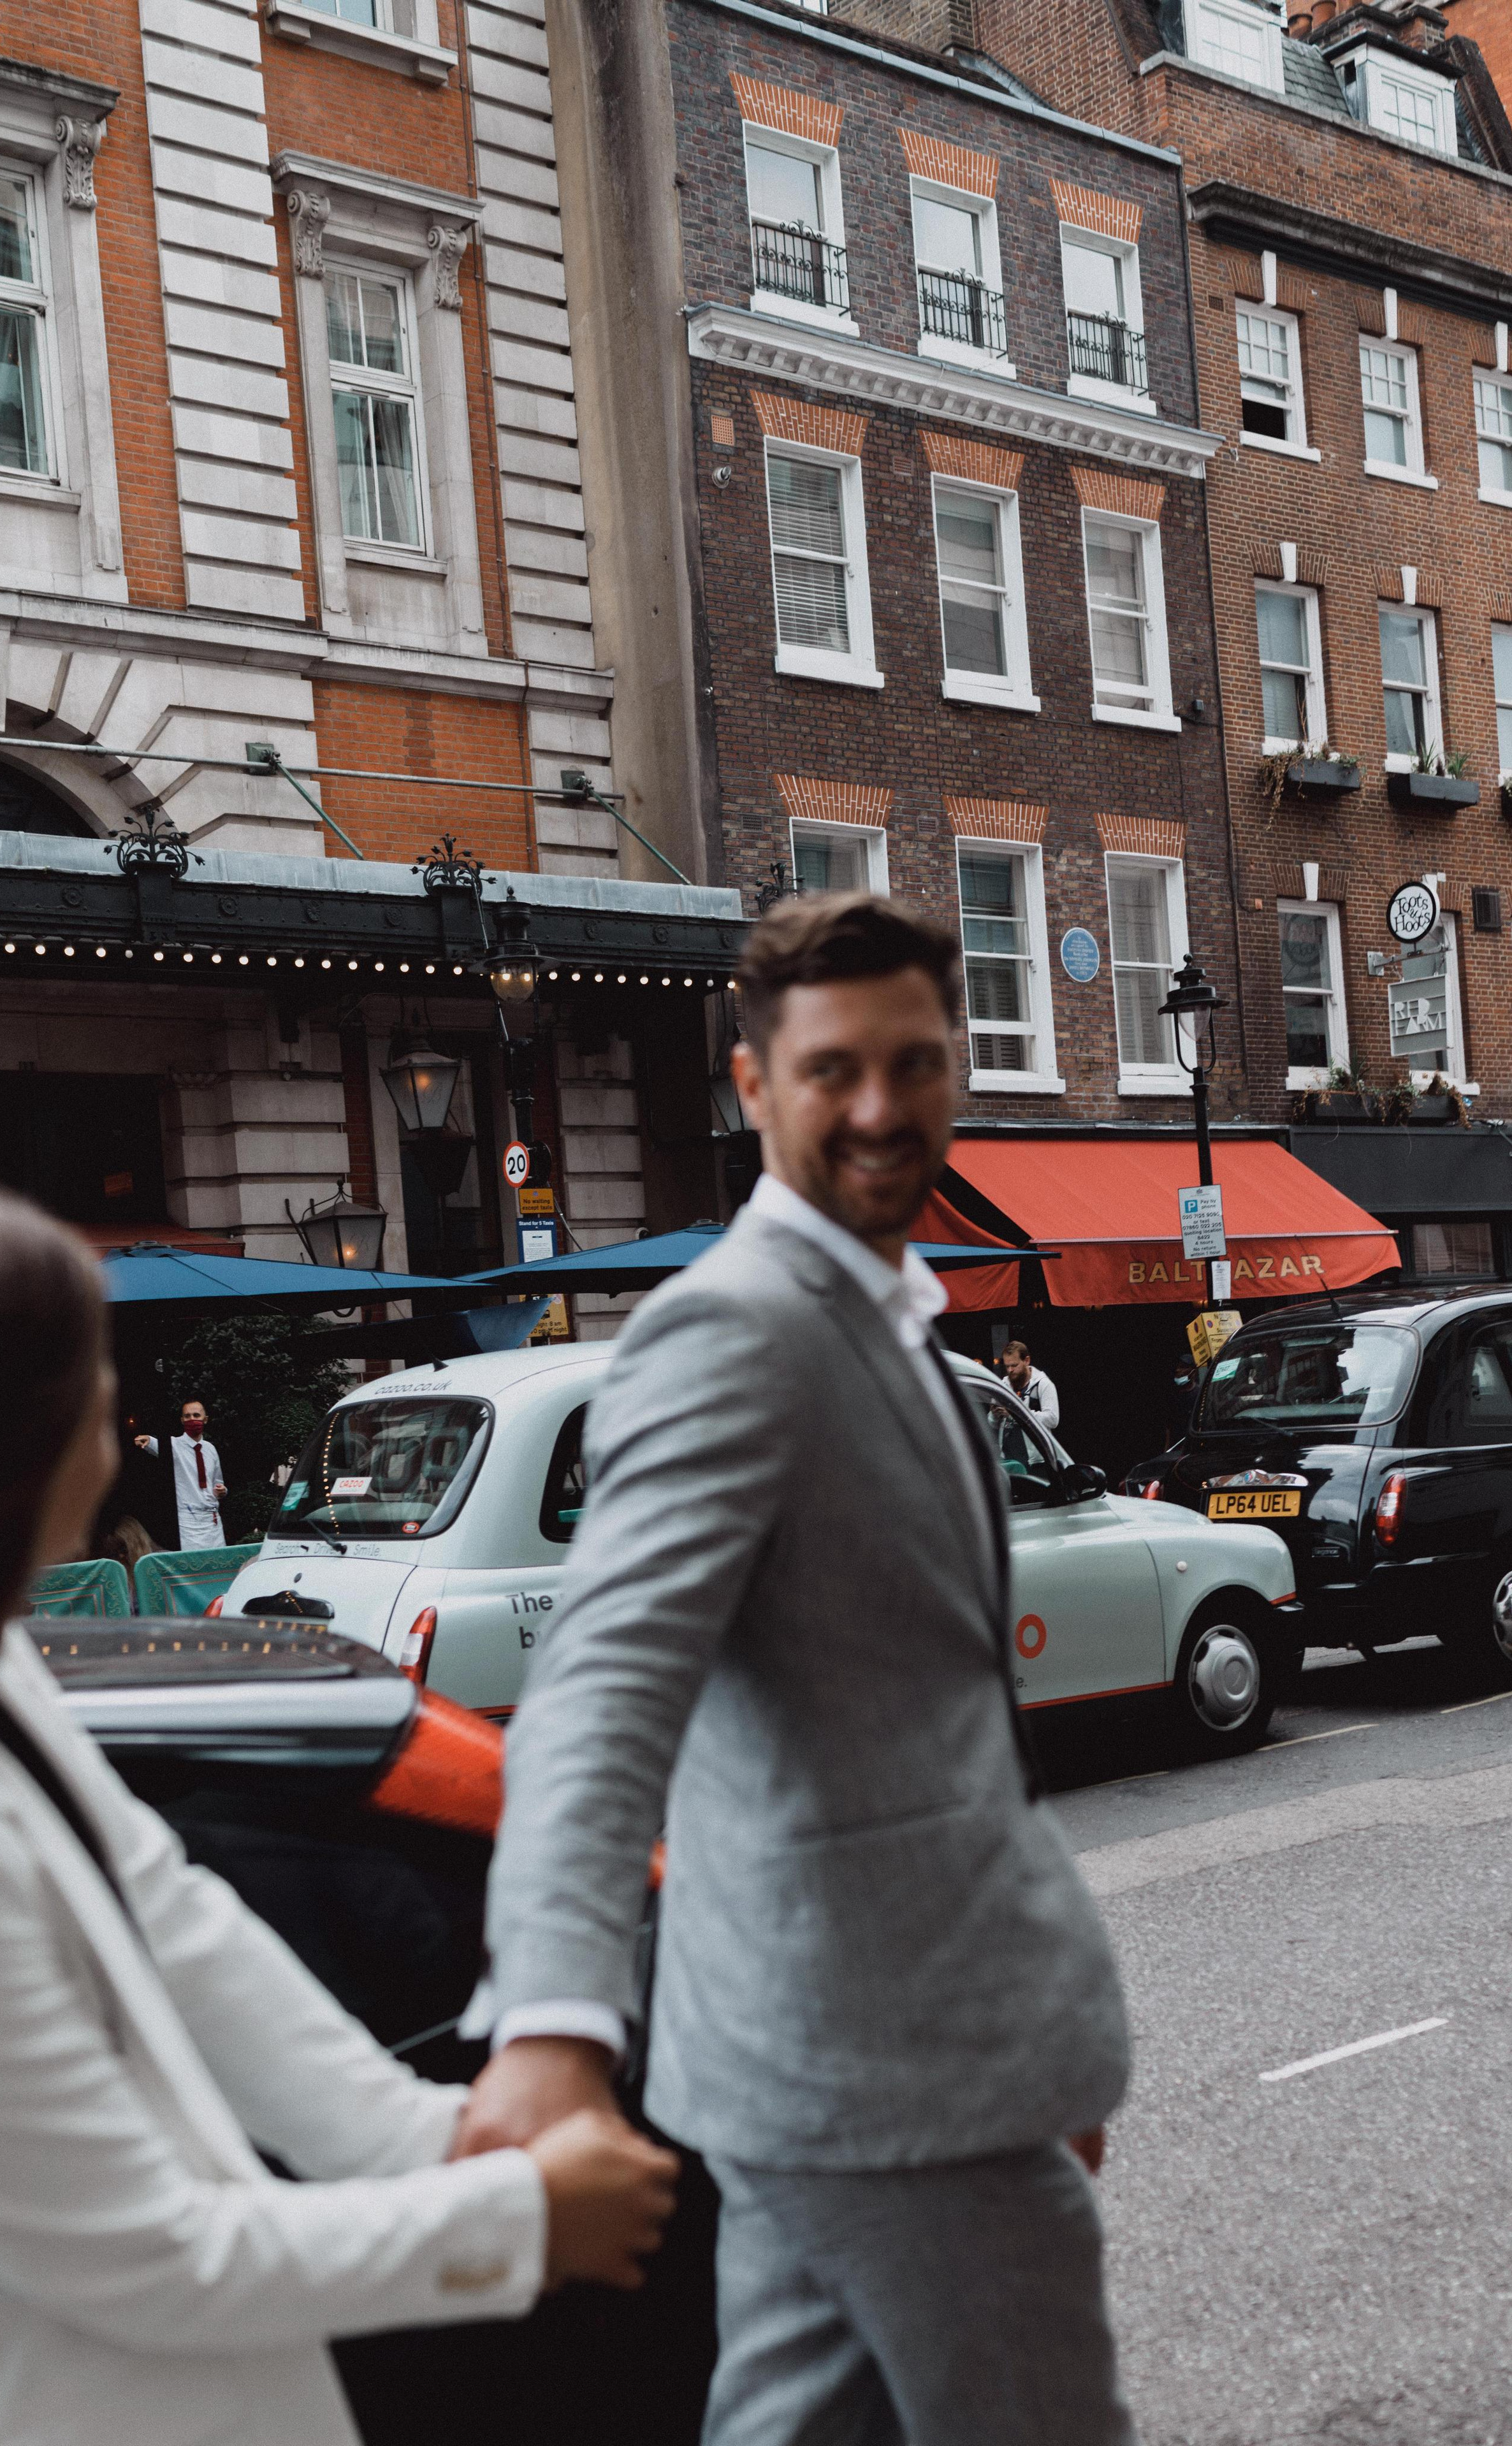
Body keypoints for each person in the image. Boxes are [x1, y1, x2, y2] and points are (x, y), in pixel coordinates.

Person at [458, 896, 1134, 2445]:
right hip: (890, 2087)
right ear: (753, 1086)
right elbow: (600, 1694)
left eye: (915, 1062)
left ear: (960, 1064)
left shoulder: (876, 1311)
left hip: (838, 2058)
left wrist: (1030, 2033)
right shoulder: (737, 1334)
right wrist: (552, 2029)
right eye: (834, 1071)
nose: (882, 1109)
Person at [0, 1177, 677, 2446]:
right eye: (89, 1365)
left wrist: (433, 2134)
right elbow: (157, 2254)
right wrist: (520, 2213)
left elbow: (182, 1921)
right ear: (13, 1430)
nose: (116, 1395)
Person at [136, 1397, 228, 1548]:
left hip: (212, 1521)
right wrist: (148, 1440)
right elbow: (157, 1446)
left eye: (196, 1416)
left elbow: (219, 1482)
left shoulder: (211, 1449)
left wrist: (222, 1490)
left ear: (205, 1419)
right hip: (188, 1522)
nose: (192, 1419)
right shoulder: (174, 1445)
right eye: (187, 1416)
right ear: (182, 1420)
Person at [1003, 1336, 1061, 1431]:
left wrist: (1016, 1414)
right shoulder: (1005, 1384)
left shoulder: (1043, 1384)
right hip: (1006, 1444)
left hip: (1032, 1445)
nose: (1010, 1370)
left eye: (1014, 1365)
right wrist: (995, 1415)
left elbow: (1052, 1419)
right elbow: (992, 1423)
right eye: (1007, 1366)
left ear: (1027, 1361)